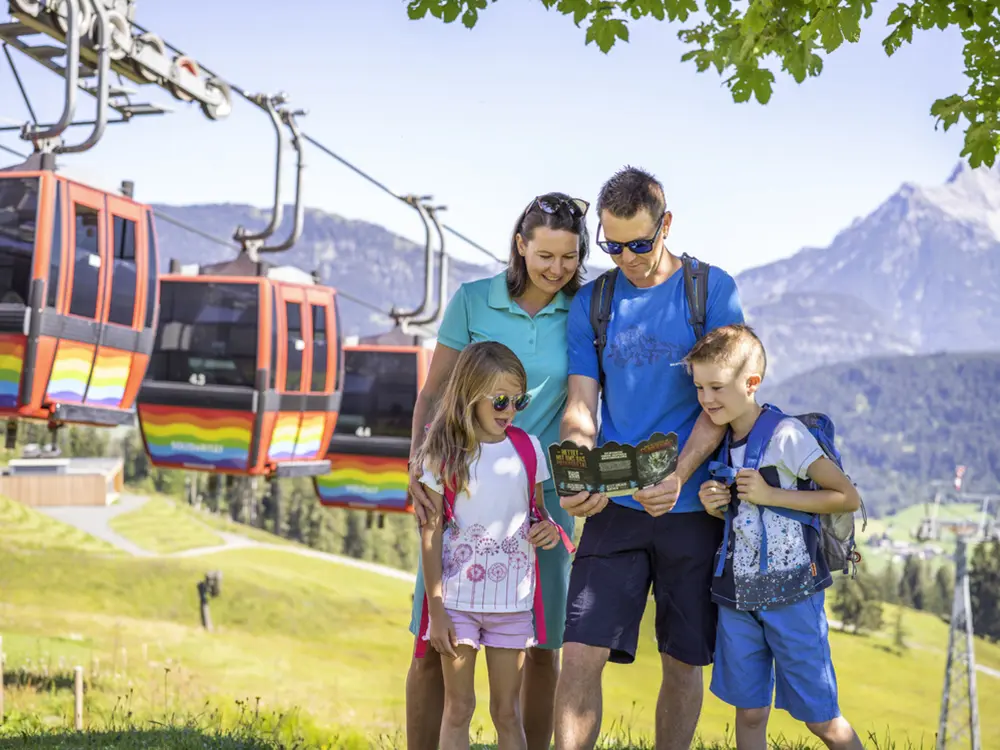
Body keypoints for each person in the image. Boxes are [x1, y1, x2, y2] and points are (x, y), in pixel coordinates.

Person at [555, 166, 745, 750]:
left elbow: (723, 402)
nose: (627, 258)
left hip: (691, 510)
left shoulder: (711, 291)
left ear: (667, 225)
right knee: (580, 653)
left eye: (639, 243)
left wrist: (680, 475)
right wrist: (577, 472)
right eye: (613, 246)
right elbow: (580, 405)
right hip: (614, 508)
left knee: (683, 662)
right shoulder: (594, 302)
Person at [405, 192, 590, 750]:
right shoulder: (473, 301)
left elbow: (583, 401)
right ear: (520, 246)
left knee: (541, 642)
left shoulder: (582, 311)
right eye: (545, 257)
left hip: (542, 495)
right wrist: (417, 466)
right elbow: (434, 392)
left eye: (570, 257)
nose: (558, 270)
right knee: (435, 640)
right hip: (460, 487)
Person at [688, 323, 864, 750]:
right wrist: (715, 502)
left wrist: (771, 494)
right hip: (738, 597)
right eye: (699, 388)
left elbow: (846, 496)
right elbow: (740, 513)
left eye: (716, 388)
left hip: (795, 595)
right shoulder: (721, 440)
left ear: (751, 384)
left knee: (823, 719)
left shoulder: (787, 435)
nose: (706, 400)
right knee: (748, 713)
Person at [414, 341, 569, 749]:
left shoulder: (528, 450)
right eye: (500, 401)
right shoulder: (443, 455)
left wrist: (548, 529)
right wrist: (438, 608)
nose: (510, 412)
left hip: (512, 606)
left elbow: (538, 513)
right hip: (457, 604)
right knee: (459, 707)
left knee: (506, 712)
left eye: (518, 400)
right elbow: (429, 535)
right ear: (470, 396)